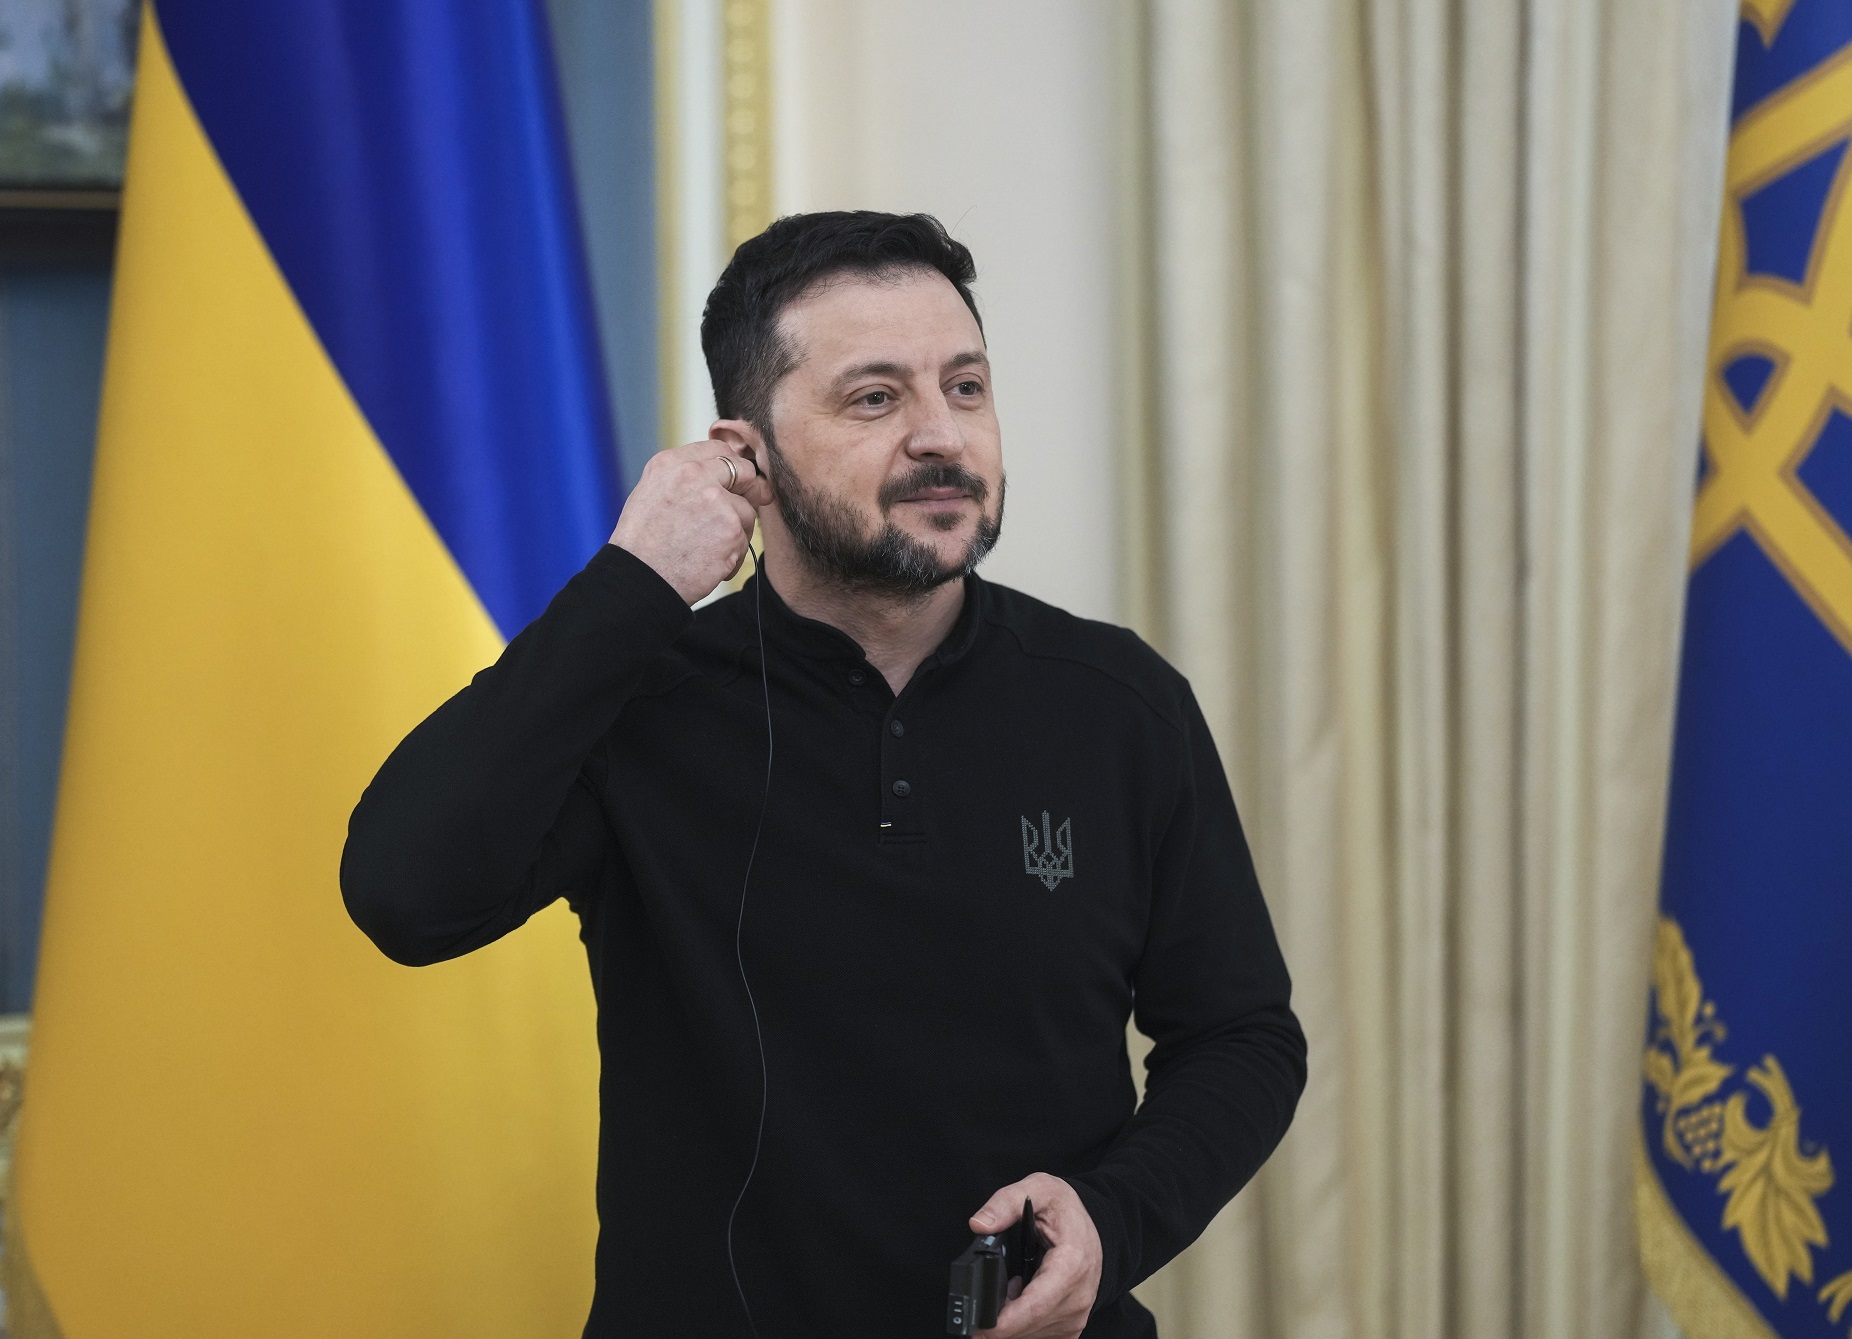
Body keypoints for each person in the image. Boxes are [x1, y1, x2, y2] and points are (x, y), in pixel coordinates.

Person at [341, 211, 1306, 1337]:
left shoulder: (1120, 702)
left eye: (966, 387)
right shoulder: (635, 698)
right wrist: (633, 583)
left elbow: (1242, 1036)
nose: (942, 436)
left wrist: (1112, 1219)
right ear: (746, 452)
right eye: (875, 398)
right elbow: (405, 894)